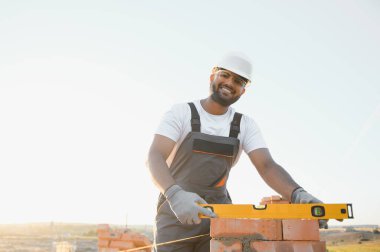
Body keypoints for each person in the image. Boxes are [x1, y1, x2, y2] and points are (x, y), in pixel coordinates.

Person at [147, 52, 327, 252]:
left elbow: (267, 166)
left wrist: (298, 195)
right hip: (175, 213)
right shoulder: (181, 113)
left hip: (218, 216)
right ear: (212, 76)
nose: (230, 83)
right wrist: (174, 194)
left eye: (238, 81)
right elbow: (155, 156)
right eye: (225, 75)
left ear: (243, 91)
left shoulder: (244, 125)